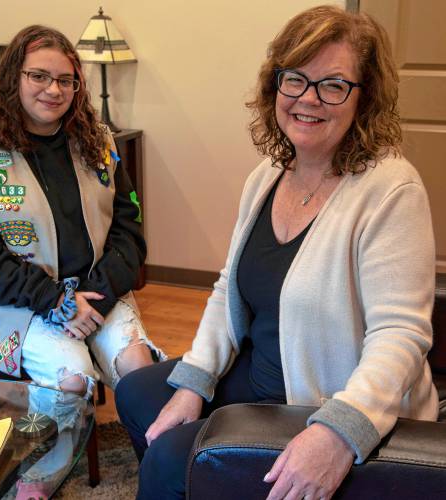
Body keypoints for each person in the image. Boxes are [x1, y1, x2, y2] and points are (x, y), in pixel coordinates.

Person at [115, 5, 439, 500]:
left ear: (364, 98)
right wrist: (193, 384)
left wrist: (338, 431)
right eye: (296, 80)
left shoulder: (391, 188)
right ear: (276, 86)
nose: (309, 99)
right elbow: (228, 287)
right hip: (265, 365)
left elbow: (401, 332)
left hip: (322, 395)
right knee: (137, 393)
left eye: (333, 85)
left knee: (167, 457)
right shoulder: (268, 174)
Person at [0, 25, 165, 425]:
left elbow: (129, 229)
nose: (54, 90)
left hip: (97, 291)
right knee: (73, 379)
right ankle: (41, 470)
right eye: (39, 76)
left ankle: (155, 463)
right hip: (19, 304)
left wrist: (95, 294)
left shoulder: (99, 141)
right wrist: (57, 302)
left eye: (66, 80)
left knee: (140, 369)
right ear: (14, 78)